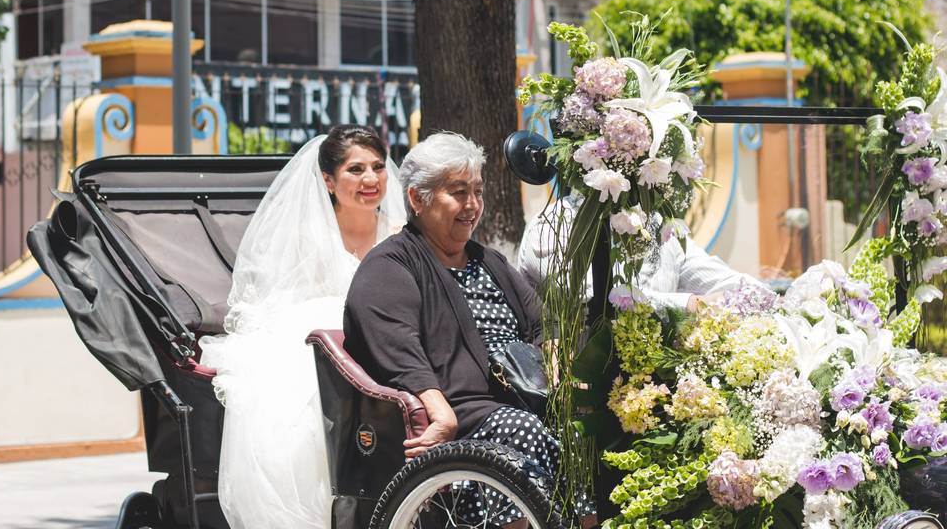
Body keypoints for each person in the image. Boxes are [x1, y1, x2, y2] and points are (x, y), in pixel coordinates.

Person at [344, 132, 593, 527]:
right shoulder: (390, 265)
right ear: (417, 199)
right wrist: (440, 411)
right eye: (458, 193)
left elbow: (543, 320)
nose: (472, 205)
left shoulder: (488, 261)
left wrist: (555, 355)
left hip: (520, 397)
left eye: (477, 192)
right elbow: (396, 344)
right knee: (523, 432)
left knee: (590, 429)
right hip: (464, 407)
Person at [198, 125, 406, 529]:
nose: (371, 180)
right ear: (328, 180)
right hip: (318, 343)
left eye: (378, 167)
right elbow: (280, 303)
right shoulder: (308, 237)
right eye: (356, 169)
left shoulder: (400, 232)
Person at [518, 194, 763, 312]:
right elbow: (601, 300)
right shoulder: (551, 225)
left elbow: (720, 279)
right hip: (579, 392)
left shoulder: (657, 223)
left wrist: (762, 297)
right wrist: (690, 304)